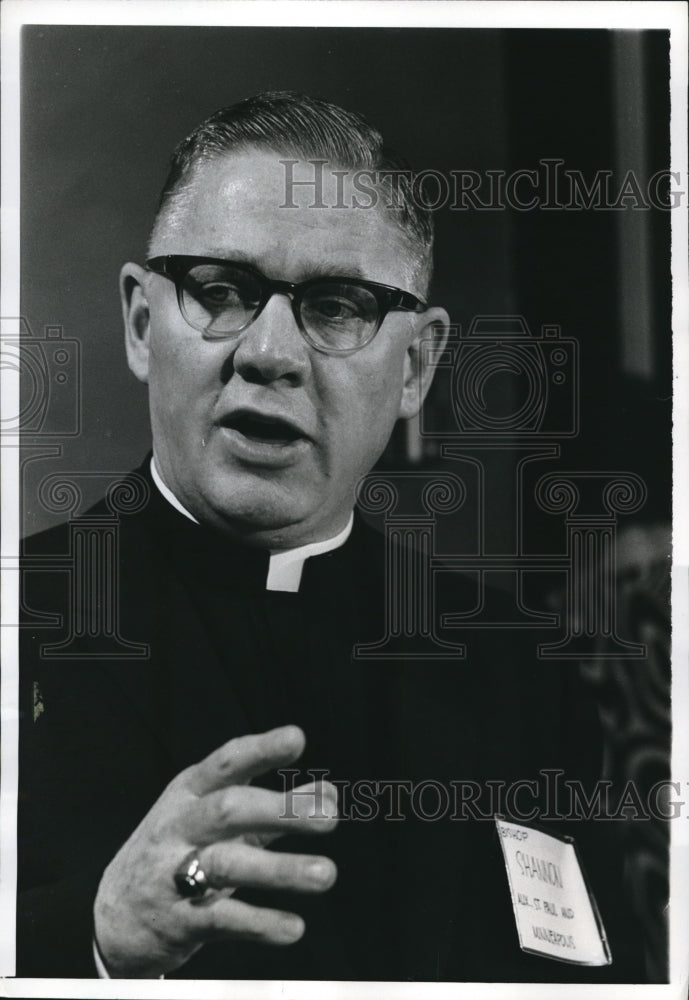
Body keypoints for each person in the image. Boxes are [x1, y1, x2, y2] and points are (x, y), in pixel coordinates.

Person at [17, 91, 647, 982]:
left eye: (337, 305)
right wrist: (99, 938)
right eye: (220, 290)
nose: (269, 351)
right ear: (140, 322)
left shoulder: (520, 671)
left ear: (416, 367)